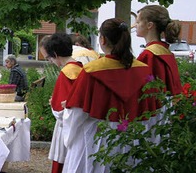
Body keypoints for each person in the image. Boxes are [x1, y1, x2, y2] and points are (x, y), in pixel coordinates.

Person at [62, 18, 152, 173]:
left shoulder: (91, 71)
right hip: (131, 140)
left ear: (102, 39)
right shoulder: (144, 71)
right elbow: (149, 114)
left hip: (96, 140)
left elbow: (76, 115)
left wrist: (68, 138)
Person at [39, 33, 83, 173]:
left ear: (56, 54)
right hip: (80, 126)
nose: (51, 62)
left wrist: (54, 103)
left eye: (50, 58)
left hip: (67, 127)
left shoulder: (66, 73)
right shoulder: (81, 68)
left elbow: (60, 110)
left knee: (63, 163)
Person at [135, 5, 183, 96]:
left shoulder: (148, 54)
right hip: (168, 105)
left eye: (138, 22)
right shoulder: (166, 52)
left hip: (154, 107)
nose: (135, 25)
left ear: (149, 25)